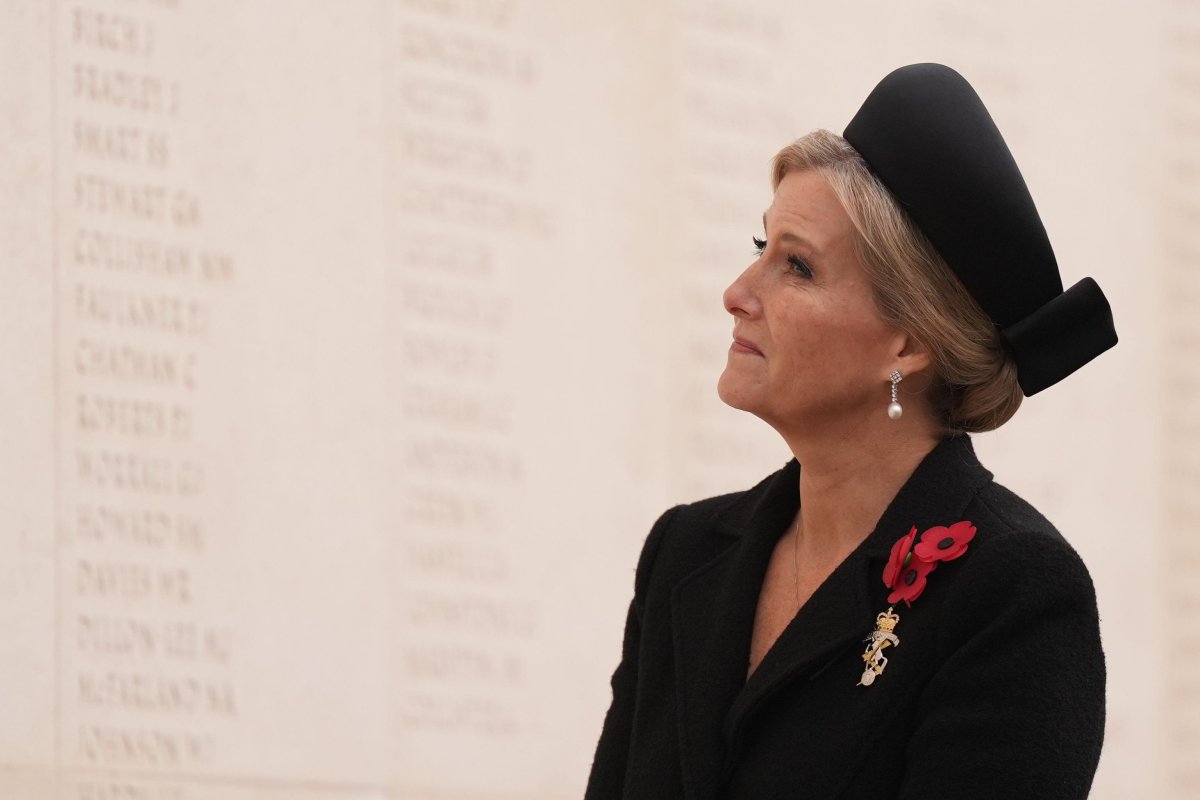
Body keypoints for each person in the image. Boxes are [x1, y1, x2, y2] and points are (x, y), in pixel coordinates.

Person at [584, 64, 1117, 800]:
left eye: (796, 266)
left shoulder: (1012, 590)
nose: (737, 294)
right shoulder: (683, 553)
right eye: (759, 246)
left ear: (907, 343)